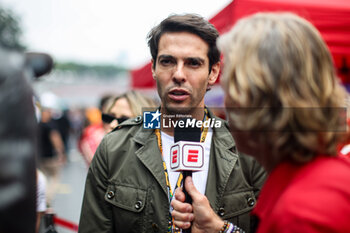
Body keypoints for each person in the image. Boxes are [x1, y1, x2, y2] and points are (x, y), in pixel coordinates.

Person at [78, 13, 266, 233]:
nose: (178, 74)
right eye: (167, 61)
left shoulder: (249, 151)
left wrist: (221, 229)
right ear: (153, 69)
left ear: (213, 72)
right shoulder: (114, 148)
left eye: (193, 63)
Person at [171, 13, 350, 233]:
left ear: (252, 99)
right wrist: (220, 228)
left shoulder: (299, 215)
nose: (226, 103)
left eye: (229, 86)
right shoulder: (328, 175)